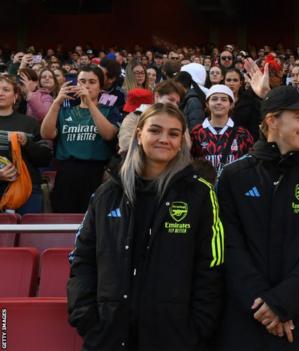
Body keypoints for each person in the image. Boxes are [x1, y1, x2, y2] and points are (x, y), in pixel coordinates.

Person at [67, 103, 224, 350]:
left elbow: (212, 267)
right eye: (155, 130)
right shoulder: (108, 193)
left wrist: (196, 328)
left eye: (174, 134)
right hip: (108, 335)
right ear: (139, 134)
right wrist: (87, 317)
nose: (164, 139)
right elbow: (82, 259)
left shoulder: (200, 194)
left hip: (175, 338)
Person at [216, 85, 299, 350]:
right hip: (247, 319)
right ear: (271, 120)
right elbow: (227, 247)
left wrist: (283, 302)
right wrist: (265, 305)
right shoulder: (233, 176)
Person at [40, 64, 121, 213]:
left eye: (92, 82)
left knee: (93, 220)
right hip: (66, 172)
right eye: (82, 81)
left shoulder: (109, 110)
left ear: (100, 87)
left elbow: (109, 134)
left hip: (96, 173)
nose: (86, 86)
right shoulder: (64, 110)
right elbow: (46, 134)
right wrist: (56, 103)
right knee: (64, 219)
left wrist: (89, 103)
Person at [0, 76, 52, 214]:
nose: (1, 93)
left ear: (16, 96)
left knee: (28, 233)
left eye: (6, 90)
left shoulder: (30, 123)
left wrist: (27, 143)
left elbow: (45, 159)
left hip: (28, 191)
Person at [190, 84, 254, 175]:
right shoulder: (196, 132)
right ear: (207, 104)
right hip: (204, 187)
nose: (219, 102)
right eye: (214, 99)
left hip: (233, 187)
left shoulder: (242, 134)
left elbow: (250, 163)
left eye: (224, 99)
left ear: (231, 104)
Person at [224, 67, 262, 140]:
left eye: (235, 80)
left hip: (244, 142)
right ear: (224, 82)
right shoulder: (217, 101)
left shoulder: (250, 101)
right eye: (228, 80)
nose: (231, 83)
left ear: (240, 83)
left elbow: (254, 127)